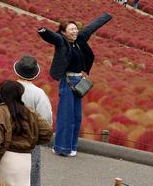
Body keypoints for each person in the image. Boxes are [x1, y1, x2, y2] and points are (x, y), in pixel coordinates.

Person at [38, 13, 112, 156]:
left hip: (79, 82)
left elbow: (91, 27)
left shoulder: (80, 40)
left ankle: (72, 147)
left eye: (75, 28)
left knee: (76, 116)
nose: (74, 31)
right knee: (66, 116)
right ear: (64, 33)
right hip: (67, 82)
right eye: (71, 29)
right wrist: (44, 31)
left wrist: (106, 16)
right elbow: (53, 37)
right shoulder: (62, 41)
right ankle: (61, 148)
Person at [0, 80, 53, 186]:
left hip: (5, 158)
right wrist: (32, 141)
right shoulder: (29, 111)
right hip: (25, 159)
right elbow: (47, 132)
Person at [12, 55, 54, 186]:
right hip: (31, 141)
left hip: (9, 138)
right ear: (35, 74)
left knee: (10, 174)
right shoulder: (39, 94)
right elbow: (46, 119)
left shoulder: (7, 89)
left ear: (17, 71)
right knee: (30, 177)